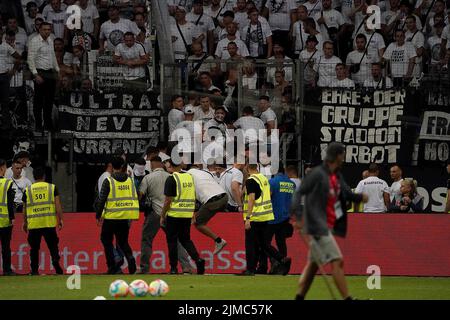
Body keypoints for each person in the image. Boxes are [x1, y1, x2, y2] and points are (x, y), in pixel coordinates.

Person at [291, 142, 368, 300]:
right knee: (337, 261)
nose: (344, 159)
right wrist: (298, 217)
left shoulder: (336, 175)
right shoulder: (318, 174)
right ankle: (348, 298)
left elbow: (346, 193)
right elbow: (298, 193)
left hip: (325, 224)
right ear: (338, 155)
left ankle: (299, 298)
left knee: (313, 266)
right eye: (343, 155)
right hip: (316, 225)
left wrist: (359, 197)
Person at [138, 156, 193, 274]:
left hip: (154, 213)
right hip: (170, 212)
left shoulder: (148, 178)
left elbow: (140, 195)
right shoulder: (171, 177)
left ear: (152, 164)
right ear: (161, 164)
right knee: (176, 241)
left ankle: (144, 268)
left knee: (146, 240)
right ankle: (186, 266)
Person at [240, 163, 292, 276]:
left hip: (255, 216)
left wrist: (248, 218)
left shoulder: (250, 180)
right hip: (266, 216)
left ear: (247, 168)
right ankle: (282, 259)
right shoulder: (263, 178)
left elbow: (252, 199)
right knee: (263, 243)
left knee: (250, 243)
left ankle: (250, 269)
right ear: (257, 167)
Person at [161, 159, 206, 275]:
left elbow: (168, 200)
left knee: (171, 241)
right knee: (186, 240)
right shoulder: (189, 177)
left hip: (174, 214)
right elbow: (193, 195)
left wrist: (162, 215)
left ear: (170, 165)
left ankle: (173, 268)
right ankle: (198, 260)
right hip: (186, 214)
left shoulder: (172, 178)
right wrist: (193, 212)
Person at [96, 156, 139, 274]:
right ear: (122, 167)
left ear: (112, 166)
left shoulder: (108, 181)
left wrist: (98, 215)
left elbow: (101, 200)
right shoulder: (130, 181)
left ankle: (112, 265)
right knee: (123, 241)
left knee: (106, 240)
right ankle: (130, 259)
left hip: (111, 217)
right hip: (125, 217)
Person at [22, 167, 64, 275]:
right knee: (53, 246)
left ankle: (35, 270)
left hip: (34, 224)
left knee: (34, 249)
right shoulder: (52, 188)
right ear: (44, 176)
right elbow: (58, 205)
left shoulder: (28, 190)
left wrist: (25, 222)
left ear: (34, 177)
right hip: (48, 223)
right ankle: (55, 262)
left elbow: (24, 209)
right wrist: (60, 219)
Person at [261, 165, 296, 274]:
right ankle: (282, 267)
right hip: (286, 216)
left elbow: (267, 198)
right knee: (281, 241)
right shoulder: (291, 184)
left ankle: (279, 259)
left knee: (264, 242)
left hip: (273, 216)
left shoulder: (272, 182)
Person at [187, 163, 228, 254]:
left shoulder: (188, 175)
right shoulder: (205, 173)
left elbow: (191, 195)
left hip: (212, 201)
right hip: (224, 197)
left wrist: (193, 212)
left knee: (198, 223)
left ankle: (218, 241)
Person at [27, 22, 60, 132]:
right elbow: (30, 59)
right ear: (40, 30)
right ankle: (38, 124)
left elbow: (53, 56)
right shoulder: (34, 41)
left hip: (50, 72)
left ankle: (48, 123)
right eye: (45, 29)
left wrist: (57, 70)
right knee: (38, 101)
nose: (47, 31)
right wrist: (35, 75)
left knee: (49, 100)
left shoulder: (50, 40)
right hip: (40, 72)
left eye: (49, 29)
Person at [0, 159, 16, 276]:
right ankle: (7, 270)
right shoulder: (7, 183)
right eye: (5, 168)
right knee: (6, 247)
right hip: (5, 221)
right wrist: (12, 217)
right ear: (2, 168)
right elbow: (10, 203)